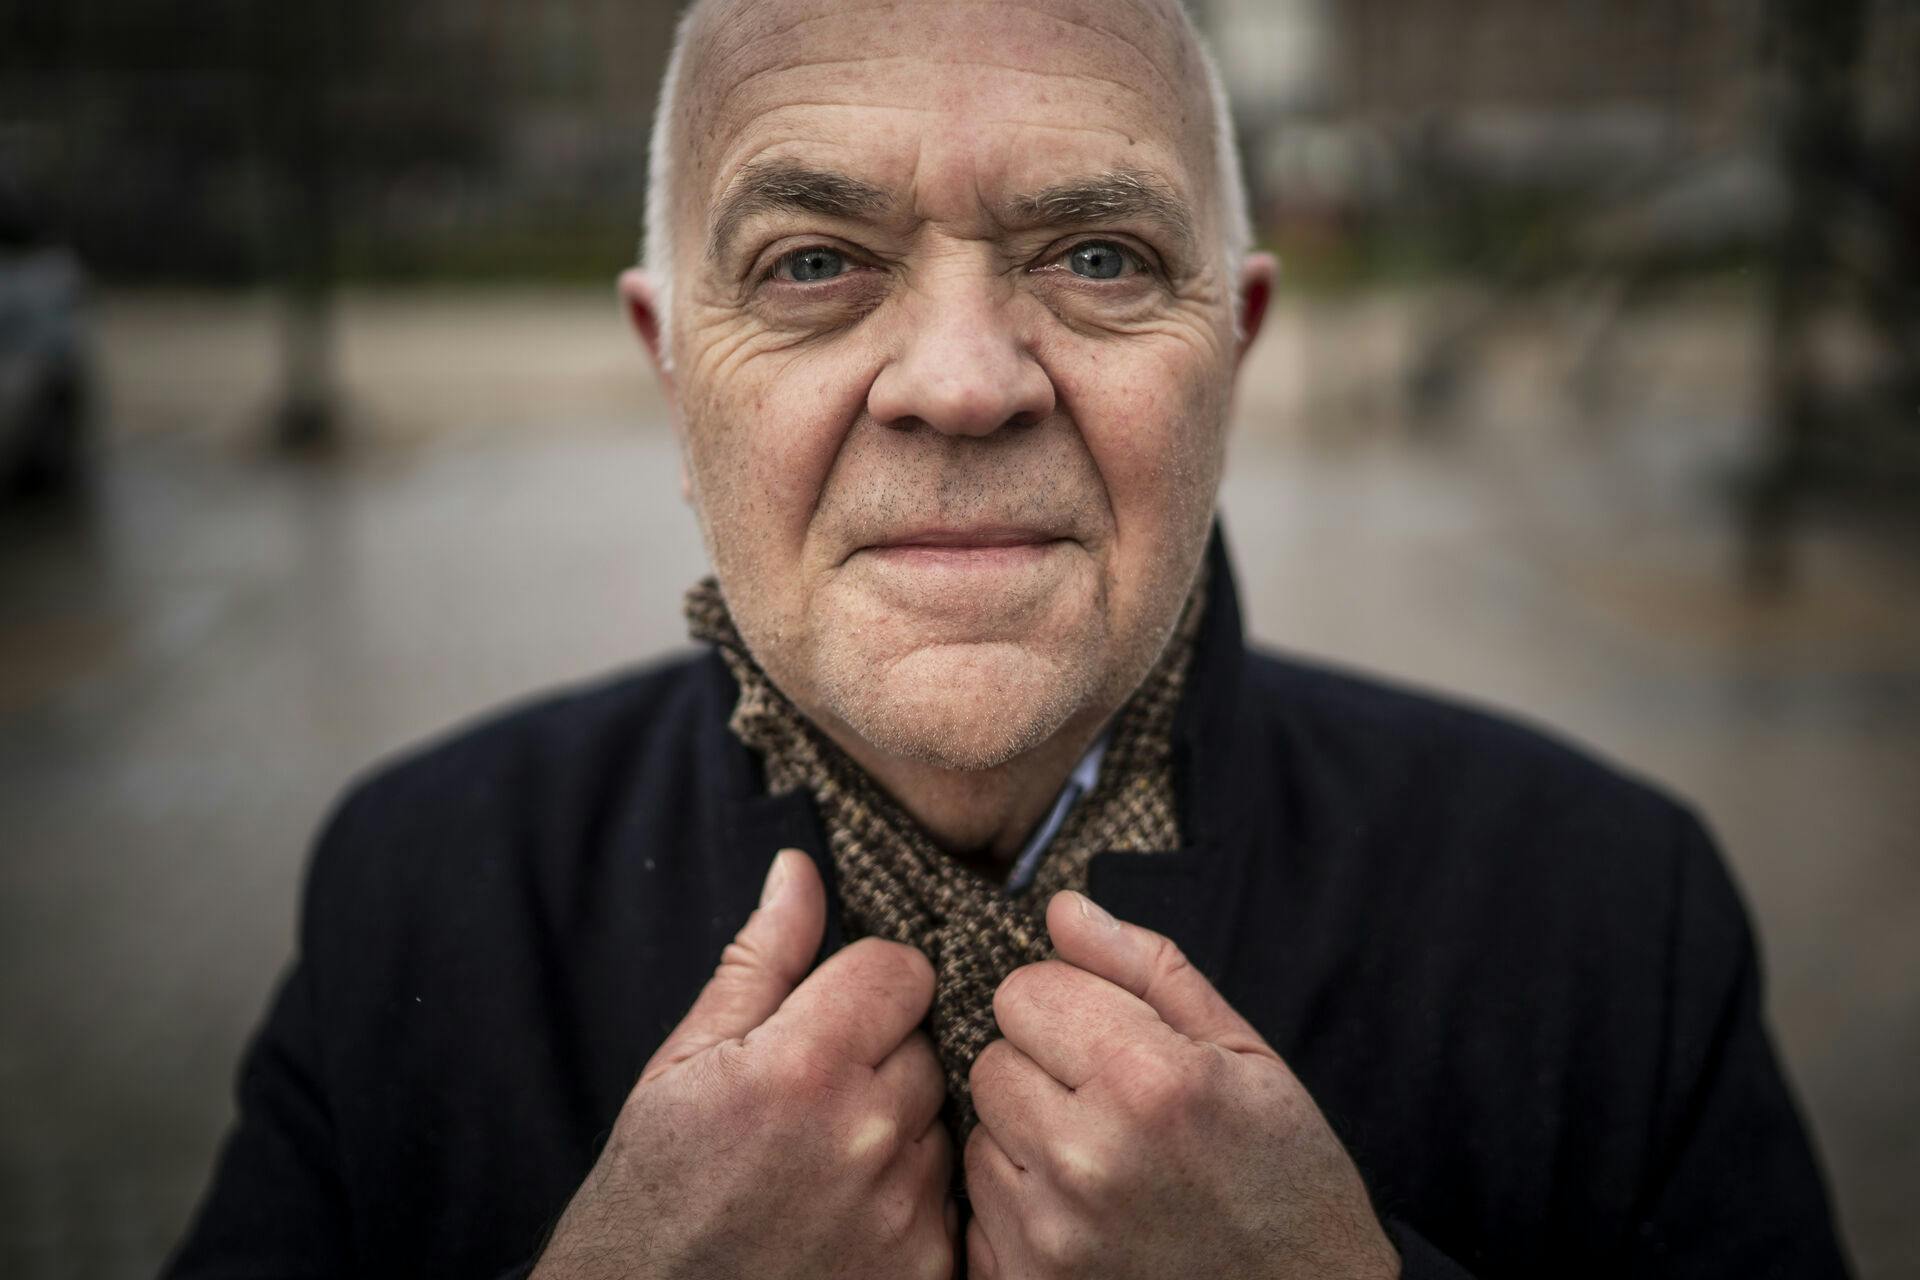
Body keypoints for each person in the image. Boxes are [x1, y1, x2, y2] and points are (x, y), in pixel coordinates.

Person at [163, 0, 1853, 1276]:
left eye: (1099, 255)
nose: (965, 384)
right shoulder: (416, 898)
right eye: (813, 263)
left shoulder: (1607, 920)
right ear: (672, 368)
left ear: (1235, 349)